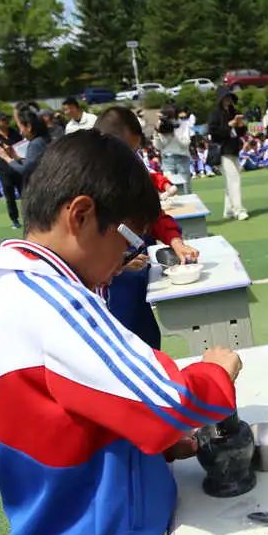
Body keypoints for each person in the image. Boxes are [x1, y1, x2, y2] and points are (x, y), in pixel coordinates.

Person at [0, 129, 241, 535]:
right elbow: (166, 402)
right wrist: (219, 370)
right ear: (80, 215)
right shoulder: (48, 298)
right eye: (125, 238)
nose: (130, 256)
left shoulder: (31, 287)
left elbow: (89, 408)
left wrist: (156, 447)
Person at [95, 106, 198, 349]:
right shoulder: (86, 178)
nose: (133, 156)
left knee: (149, 339)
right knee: (123, 346)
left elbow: (153, 213)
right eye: (128, 150)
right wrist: (115, 263)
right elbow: (77, 246)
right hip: (107, 283)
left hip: (136, 269)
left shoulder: (134, 168)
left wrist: (175, 241)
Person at [208, 88, 250, 221]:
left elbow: (241, 132)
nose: (228, 100)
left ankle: (229, 210)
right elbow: (213, 132)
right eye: (226, 98)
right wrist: (229, 125)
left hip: (233, 149)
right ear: (221, 99)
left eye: (230, 98)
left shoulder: (234, 112)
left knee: (230, 181)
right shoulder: (215, 114)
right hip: (222, 151)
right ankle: (239, 210)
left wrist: (241, 125)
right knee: (234, 179)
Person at [0, 103, 51, 194]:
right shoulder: (42, 139)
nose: (20, 132)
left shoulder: (35, 144)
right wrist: (16, 157)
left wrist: (7, 158)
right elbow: (31, 164)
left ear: (29, 127)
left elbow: (25, 170)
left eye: (21, 127)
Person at [153, 107, 195, 194]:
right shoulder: (161, 125)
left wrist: (174, 134)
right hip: (167, 160)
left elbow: (185, 144)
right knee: (171, 190)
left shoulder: (183, 125)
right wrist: (156, 132)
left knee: (185, 190)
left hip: (182, 159)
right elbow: (159, 146)